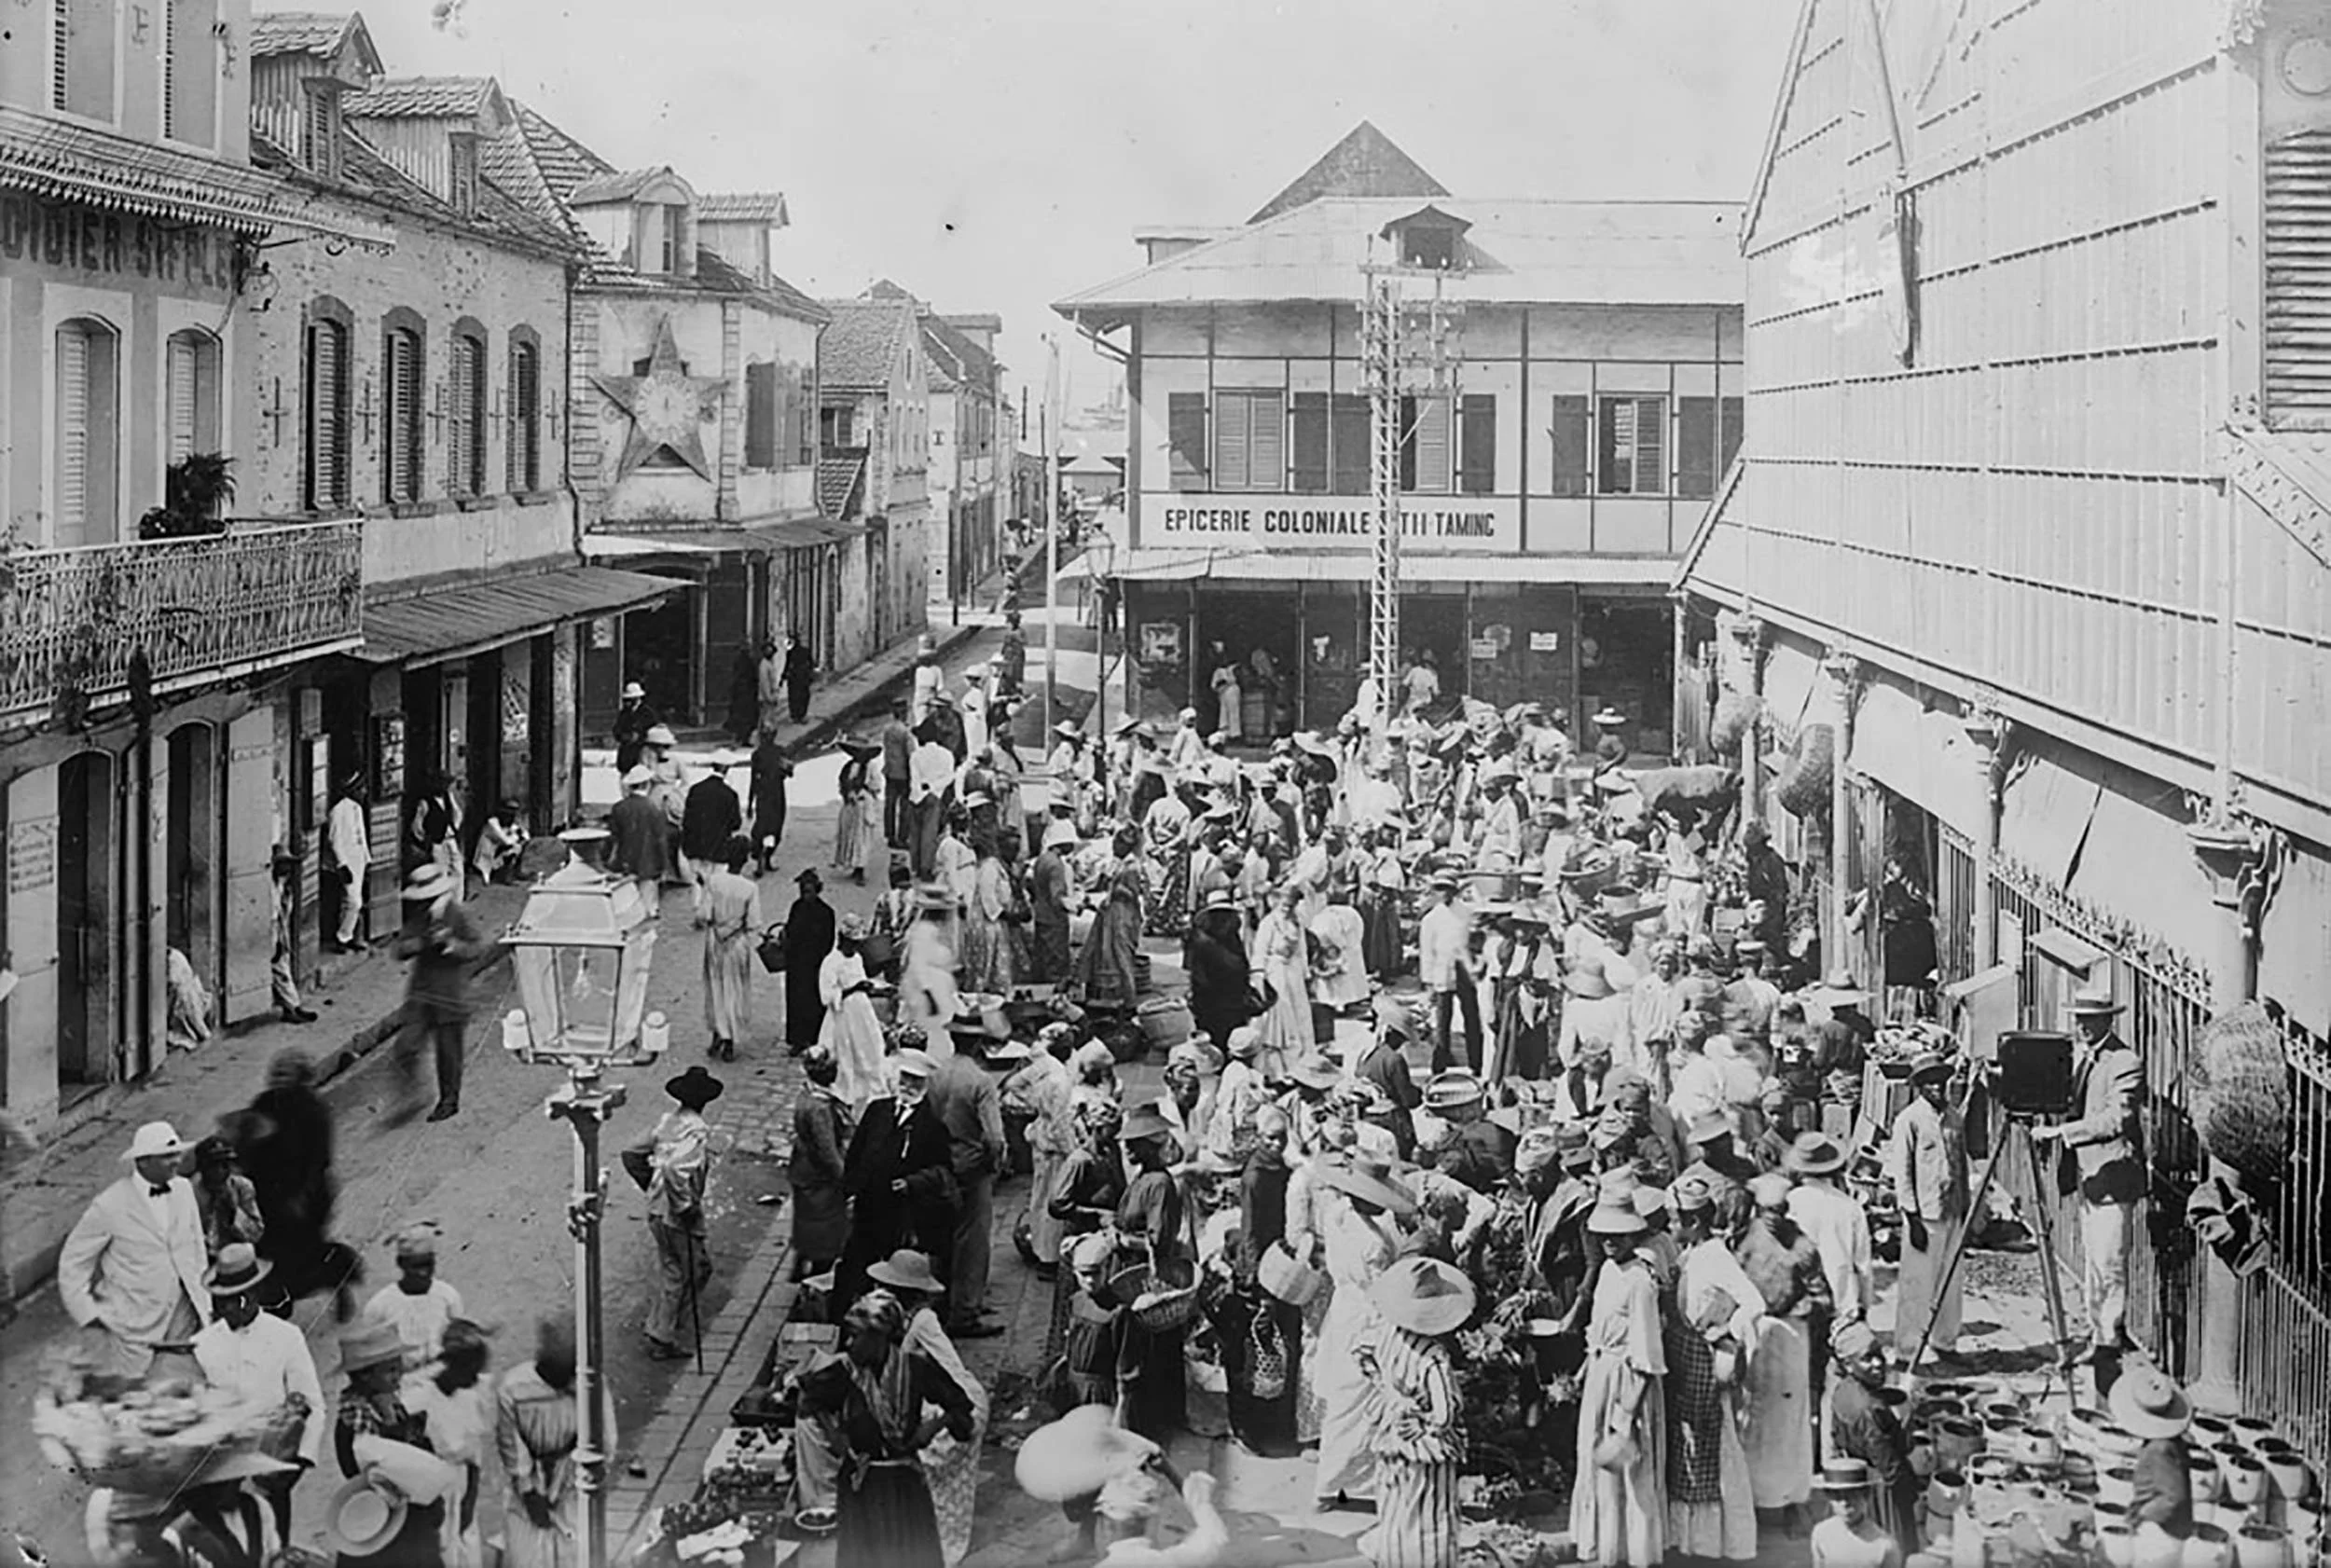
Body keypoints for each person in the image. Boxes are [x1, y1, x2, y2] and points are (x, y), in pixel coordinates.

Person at [796, 1290, 978, 1568]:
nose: (848, 1343)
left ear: (878, 1336)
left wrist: (933, 1426)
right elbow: (809, 1403)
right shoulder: (843, 1373)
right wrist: (834, 1434)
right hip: (862, 1484)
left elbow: (960, 1405)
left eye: (856, 1335)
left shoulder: (915, 1368)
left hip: (903, 1482)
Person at [2030, 981, 2146, 1362]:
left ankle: (2109, 1342)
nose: (2083, 1026)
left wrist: (2064, 1133)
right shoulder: (2082, 1057)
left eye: (2091, 1020)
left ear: (2107, 1021)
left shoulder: (2124, 1062)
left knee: (2110, 1261)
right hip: (2087, 1176)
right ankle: (2099, 1331)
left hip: (2114, 1176)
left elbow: (2119, 1117)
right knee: (2093, 1261)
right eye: (2080, 1019)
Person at [862, 1255, 991, 1567]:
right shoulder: (900, 1321)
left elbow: (946, 1372)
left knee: (935, 1476)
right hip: (935, 1397)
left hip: (958, 1402)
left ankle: (938, 1544)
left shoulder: (924, 1322)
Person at [192, 1245, 324, 1547]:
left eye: (237, 1299)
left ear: (256, 1293)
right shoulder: (201, 1346)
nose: (228, 1309)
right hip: (224, 1476)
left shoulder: (286, 1337)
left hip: (272, 1467)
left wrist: (297, 1466)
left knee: (276, 1545)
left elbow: (313, 1404)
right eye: (222, 1301)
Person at [59, 1121, 210, 1377]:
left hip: (184, 1313)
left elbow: (196, 1243)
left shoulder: (184, 1190)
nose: (176, 1161)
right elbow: (73, 1262)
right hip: (133, 1323)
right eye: (167, 1157)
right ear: (143, 1162)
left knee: (181, 1385)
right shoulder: (110, 1205)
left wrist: (204, 1295)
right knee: (134, 1395)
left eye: (176, 1154)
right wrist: (88, 1315)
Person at [1665, 1176, 1764, 1561]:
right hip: (1685, 1363)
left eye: (1675, 1220)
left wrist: (1723, 1331)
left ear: (1692, 1222)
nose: (1671, 1227)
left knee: (1712, 1449)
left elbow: (1753, 1303)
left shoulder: (1716, 1257)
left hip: (1704, 1365)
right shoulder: (1691, 1254)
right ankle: (1688, 1539)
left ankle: (1715, 1542)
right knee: (1687, 1447)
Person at [1313, 1149, 1416, 1512]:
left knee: (1350, 1402)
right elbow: (1379, 1286)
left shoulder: (1336, 1214)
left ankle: (1351, 1484)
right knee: (1357, 1401)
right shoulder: (1367, 1237)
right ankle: (1336, 1485)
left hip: (1345, 1310)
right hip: (1365, 1317)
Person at [1571, 1182, 1667, 1568]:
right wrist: (1582, 1373)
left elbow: (1647, 1357)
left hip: (1628, 1385)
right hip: (1601, 1375)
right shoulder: (1610, 1271)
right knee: (1597, 1468)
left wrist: (1626, 1415)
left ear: (1634, 1234)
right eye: (1605, 1235)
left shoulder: (1641, 1282)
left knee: (1628, 1473)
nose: (1611, 1242)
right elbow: (1599, 1331)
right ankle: (1606, 1549)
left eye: (1619, 1234)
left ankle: (1634, 1553)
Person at [1359, 1257, 1473, 1568]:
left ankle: (1393, 1559)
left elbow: (1363, 1356)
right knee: (1429, 1511)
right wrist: (1427, 1423)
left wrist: (1387, 1390)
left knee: (1396, 1504)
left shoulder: (1385, 1332)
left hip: (1391, 1427)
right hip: (1422, 1444)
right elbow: (1445, 1413)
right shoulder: (1432, 1358)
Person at [235, 1049, 358, 1315]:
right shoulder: (264, 1103)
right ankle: (278, 1307)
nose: (277, 1079)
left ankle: (339, 1285)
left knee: (307, 1252)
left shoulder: (314, 1110)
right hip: (269, 1195)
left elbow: (319, 1159)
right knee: (270, 1255)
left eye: (284, 1074)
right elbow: (246, 1143)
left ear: (300, 1077)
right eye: (275, 1073)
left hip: (305, 1196)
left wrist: (300, 1196)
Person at [835, 1051, 958, 1320]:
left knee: (892, 1271)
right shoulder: (877, 1110)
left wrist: (913, 1183)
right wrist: (849, 1193)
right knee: (854, 1265)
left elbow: (944, 1170)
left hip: (902, 1214)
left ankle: (886, 1323)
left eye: (916, 1082)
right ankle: (845, 1320)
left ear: (926, 1086)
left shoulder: (932, 1124)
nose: (908, 1087)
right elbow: (856, 1155)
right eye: (905, 1079)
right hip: (868, 1206)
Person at [1738, 1172, 1828, 1527]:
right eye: (1766, 1211)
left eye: (1778, 1210)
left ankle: (1793, 1499)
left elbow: (1821, 1293)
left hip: (1792, 1334)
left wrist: (1808, 1308)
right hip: (1757, 1333)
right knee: (1754, 1418)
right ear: (1757, 1211)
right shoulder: (1745, 1241)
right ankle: (1754, 1501)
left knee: (1791, 1421)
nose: (1773, 1216)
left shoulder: (1801, 1244)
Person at [496, 1315, 615, 1568]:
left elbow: (605, 1441)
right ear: (543, 1361)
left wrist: (577, 1479)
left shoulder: (591, 1384)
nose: (566, 1379)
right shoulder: (514, 1387)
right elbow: (511, 1446)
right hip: (529, 1490)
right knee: (526, 1556)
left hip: (573, 1486)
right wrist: (529, 1493)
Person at [622, 1065, 722, 1361]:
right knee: (695, 1269)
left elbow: (631, 1153)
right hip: (677, 1215)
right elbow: (673, 1168)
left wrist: (650, 1186)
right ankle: (664, 1330)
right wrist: (684, 1205)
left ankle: (660, 1326)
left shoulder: (668, 1122)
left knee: (672, 1269)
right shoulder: (697, 1131)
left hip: (656, 1208)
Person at [333, 1314, 450, 1566]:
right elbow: (358, 1468)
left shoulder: (391, 1404)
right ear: (365, 1376)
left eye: (399, 1368)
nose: (398, 1376)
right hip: (378, 1516)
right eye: (390, 1371)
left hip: (410, 1510)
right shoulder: (354, 1419)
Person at [392, 865, 489, 1124]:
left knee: (449, 1055)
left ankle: (449, 1100)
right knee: (405, 1047)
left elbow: (478, 947)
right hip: (422, 994)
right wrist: (422, 943)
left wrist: (452, 946)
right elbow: (400, 949)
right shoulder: (417, 919)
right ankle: (412, 1095)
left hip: (452, 995)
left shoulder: (459, 915)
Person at [1887, 1052, 1966, 1366]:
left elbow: (1961, 1164)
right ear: (1918, 1086)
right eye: (1928, 1081)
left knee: (1951, 1280)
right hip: (1924, 1215)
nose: (1936, 1086)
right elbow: (1902, 1172)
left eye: (1939, 1080)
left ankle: (1945, 1343)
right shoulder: (1908, 1120)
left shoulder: (1954, 1118)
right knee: (1917, 1284)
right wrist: (1911, 1216)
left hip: (1953, 1210)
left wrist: (1968, 1210)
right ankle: (1907, 1350)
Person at [927, 1047, 1008, 1337]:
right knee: (972, 1243)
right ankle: (965, 1312)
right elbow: (995, 1138)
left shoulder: (935, 1073)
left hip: (939, 1167)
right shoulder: (980, 1081)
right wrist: (993, 1165)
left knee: (942, 1237)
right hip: (970, 1169)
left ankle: (942, 1301)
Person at [404, 1320, 494, 1568]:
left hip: (461, 1486)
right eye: (471, 1370)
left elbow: (475, 1455)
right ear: (453, 1365)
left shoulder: (471, 1396)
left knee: (465, 1550)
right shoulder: (419, 1400)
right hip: (430, 1494)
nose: (476, 1378)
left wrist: (469, 1500)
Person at [1827, 1324, 1918, 1556]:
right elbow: (1889, 1466)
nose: (1878, 1363)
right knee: (1894, 1547)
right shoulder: (1870, 1409)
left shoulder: (1842, 1389)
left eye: (1879, 1354)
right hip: (1881, 1490)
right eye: (1867, 1359)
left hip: (1856, 1477)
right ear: (1848, 1364)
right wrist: (1909, 1492)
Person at [690, 836, 762, 1064]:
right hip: (736, 942)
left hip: (715, 941)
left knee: (715, 988)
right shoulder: (750, 888)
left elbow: (703, 915)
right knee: (735, 990)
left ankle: (716, 1034)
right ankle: (730, 1038)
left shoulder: (714, 881)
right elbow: (753, 922)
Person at [2113, 1366, 2196, 1549]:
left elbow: (2172, 1497)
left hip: (2162, 1532)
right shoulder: (2169, 1442)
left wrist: (2142, 1516)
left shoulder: (2159, 1449)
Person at [364, 1225, 465, 1372]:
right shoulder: (380, 1305)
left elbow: (458, 1339)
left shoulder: (448, 1296)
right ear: (401, 1264)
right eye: (416, 1266)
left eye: (428, 1265)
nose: (423, 1272)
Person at [791, 1046, 853, 1283]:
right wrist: (845, 1178)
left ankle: (800, 1263)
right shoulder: (820, 1108)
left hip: (803, 1167)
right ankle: (816, 1276)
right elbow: (827, 1151)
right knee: (823, 1230)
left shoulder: (807, 1095)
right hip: (819, 1177)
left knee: (805, 1223)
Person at [1073, 827, 1147, 1011]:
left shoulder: (1132, 867)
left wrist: (1118, 890)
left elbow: (1134, 894)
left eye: (1117, 844)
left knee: (1121, 953)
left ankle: (1128, 998)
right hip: (1111, 911)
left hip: (1124, 913)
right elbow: (1101, 884)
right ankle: (1107, 995)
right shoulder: (1117, 863)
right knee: (1104, 952)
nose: (1113, 847)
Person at [820, 915, 888, 1109]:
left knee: (869, 1047)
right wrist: (852, 988)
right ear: (841, 939)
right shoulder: (832, 962)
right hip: (843, 1014)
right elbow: (827, 995)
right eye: (851, 943)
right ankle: (846, 1090)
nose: (854, 948)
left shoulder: (857, 959)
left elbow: (864, 983)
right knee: (845, 1052)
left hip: (861, 1012)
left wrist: (877, 989)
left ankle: (867, 1088)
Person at [1417, 876, 1481, 1074]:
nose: (1444, 893)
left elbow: (1475, 942)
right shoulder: (1430, 919)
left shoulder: (1466, 912)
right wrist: (1428, 981)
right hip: (1441, 970)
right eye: (1439, 889)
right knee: (1442, 1019)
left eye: (1447, 889)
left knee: (1471, 1016)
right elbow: (1426, 951)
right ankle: (1440, 1064)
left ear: (1454, 891)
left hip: (1464, 969)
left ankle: (1476, 1062)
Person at [1250, 886, 1314, 1079]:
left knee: (1299, 1012)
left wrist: (1306, 973)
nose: (1287, 909)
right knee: (1279, 1013)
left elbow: (1302, 950)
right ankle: (1276, 1060)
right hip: (1275, 971)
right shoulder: (1269, 923)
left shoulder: (1297, 922)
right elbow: (1259, 951)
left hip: (1293, 971)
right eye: (1284, 906)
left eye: (1291, 906)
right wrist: (1259, 976)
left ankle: (1301, 1055)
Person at [1809, 1459, 1902, 1568]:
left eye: (1852, 1495)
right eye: (1837, 1497)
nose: (1844, 1503)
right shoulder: (1822, 1534)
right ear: (1828, 1497)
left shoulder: (1884, 1546)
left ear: (1866, 1495)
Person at [783, 869, 837, 1055]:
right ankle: (798, 1039)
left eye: (808, 891)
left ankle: (814, 1038)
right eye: (802, 891)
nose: (805, 895)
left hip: (815, 965)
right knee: (796, 1001)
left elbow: (828, 941)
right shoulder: (796, 907)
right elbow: (790, 930)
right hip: (796, 964)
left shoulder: (826, 913)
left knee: (814, 1002)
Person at [608, 764, 672, 906]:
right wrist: (664, 865)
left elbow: (613, 838)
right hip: (649, 865)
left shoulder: (619, 808)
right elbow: (661, 840)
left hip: (624, 863)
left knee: (626, 905)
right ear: (647, 784)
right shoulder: (655, 809)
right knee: (648, 905)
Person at [192, 1135, 265, 1258]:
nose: (220, 1171)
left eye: (225, 1165)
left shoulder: (242, 1187)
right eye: (213, 1166)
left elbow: (256, 1234)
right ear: (202, 1167)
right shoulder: (190, 1192)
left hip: (236, 1257)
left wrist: (234, 1211)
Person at [269, 847, 319, 1025]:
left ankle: (292, 1007)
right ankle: (292, 1007)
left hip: (279, 928)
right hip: (270, 930)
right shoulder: (269, 886)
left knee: (282, 968)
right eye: (283, 864)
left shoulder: (282, 884)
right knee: (280, 970)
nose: (287, 868)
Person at [681, 753, 745, 887]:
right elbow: (736, 824)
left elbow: (687, 819)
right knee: (716, 886)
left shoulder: (696, 789)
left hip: (696, 846)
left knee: (698, 886)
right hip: (718, 848)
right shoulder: (730, 794)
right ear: (726, 769)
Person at [1028, 820, 1080, 983]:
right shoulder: (1056, 865)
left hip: (1041, 915)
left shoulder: (1041, 860)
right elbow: (1057, 898)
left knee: (1041, 957)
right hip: (1054, 919)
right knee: (1056, 960)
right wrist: (1077, 906)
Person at [328, 771, 371, 952]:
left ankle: (352, 935)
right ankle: (342, 936)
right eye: (361, 789)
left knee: (356, 899)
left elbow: (361, 835)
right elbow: (335, 839)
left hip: (358, 858)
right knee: (353, 901)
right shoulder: (338, 810)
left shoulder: (357, 808)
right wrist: (341, 864)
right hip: (346, 859)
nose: (364, 792)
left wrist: (366, 858)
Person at [834, 739, 880, 884]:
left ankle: (860, 869)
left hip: (864, 804)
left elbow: (877, 785)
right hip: (851, 804)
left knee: (862, 838)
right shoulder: (848, 767)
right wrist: (848, 792)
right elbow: (842, 783)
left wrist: (864, 789)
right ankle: (854, 866)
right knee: (850, 837)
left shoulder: (871, 767)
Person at [749, 733, 793, 873]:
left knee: (765, 827)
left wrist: (751, 801)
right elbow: (789, 773)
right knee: (773, 828)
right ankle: (765, 857)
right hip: (776, 794)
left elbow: (753, 779)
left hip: (765, 793)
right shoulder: (779, 751)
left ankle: (762, 857)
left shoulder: (758, 754)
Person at [883, 703, 916, 849]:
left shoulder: (887, 729)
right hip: (903, 773)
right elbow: (910, 755)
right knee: (905, 807)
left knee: (889, 805)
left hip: (890, 771)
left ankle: (889, 835)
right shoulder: (905, 732)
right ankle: (902, 837)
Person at [473, 800, 529, 886]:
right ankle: (499, 876)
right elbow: (506, 841)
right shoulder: (492, 823)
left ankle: (512, 874)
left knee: (518, 847)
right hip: (485, 857)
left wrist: (519, 832)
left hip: (495, 855)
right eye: (509, 813)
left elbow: (526, 836)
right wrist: (516, 836)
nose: (511, 816)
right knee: (513, 846)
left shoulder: (509, 823)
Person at [614, 681, 658, 773]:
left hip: (641, 752)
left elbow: (654, 732)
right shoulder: (624, 713)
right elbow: (616, 728)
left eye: (631, 699)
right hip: (626, 753)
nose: (628, 702)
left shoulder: (647, 713)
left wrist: (639, 735)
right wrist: (623, 736)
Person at [725, 644, 761, 747]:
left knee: (743, 719)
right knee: (745, 719)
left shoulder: (741, 663)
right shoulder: (748, 663)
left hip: (744, 696)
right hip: (746, 697)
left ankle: (742, 738)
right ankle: (743, 738)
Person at [779, 632, 815, 724]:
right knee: (800, 696)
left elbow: (787, 666)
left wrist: (783, 677)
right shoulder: (801, 651)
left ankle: (797, 715)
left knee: (797, 696)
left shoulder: (793, 652)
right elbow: (810, 664)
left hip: (797, 676)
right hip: (799, 676)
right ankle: (799, 715)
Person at [758, 639, 787, 741]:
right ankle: (765, 740)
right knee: (767, 721)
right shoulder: (764, 665)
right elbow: (764, 683)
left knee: (769, 719)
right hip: (766, 697)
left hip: (770, 696)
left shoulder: (769, 664)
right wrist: (769, 697)